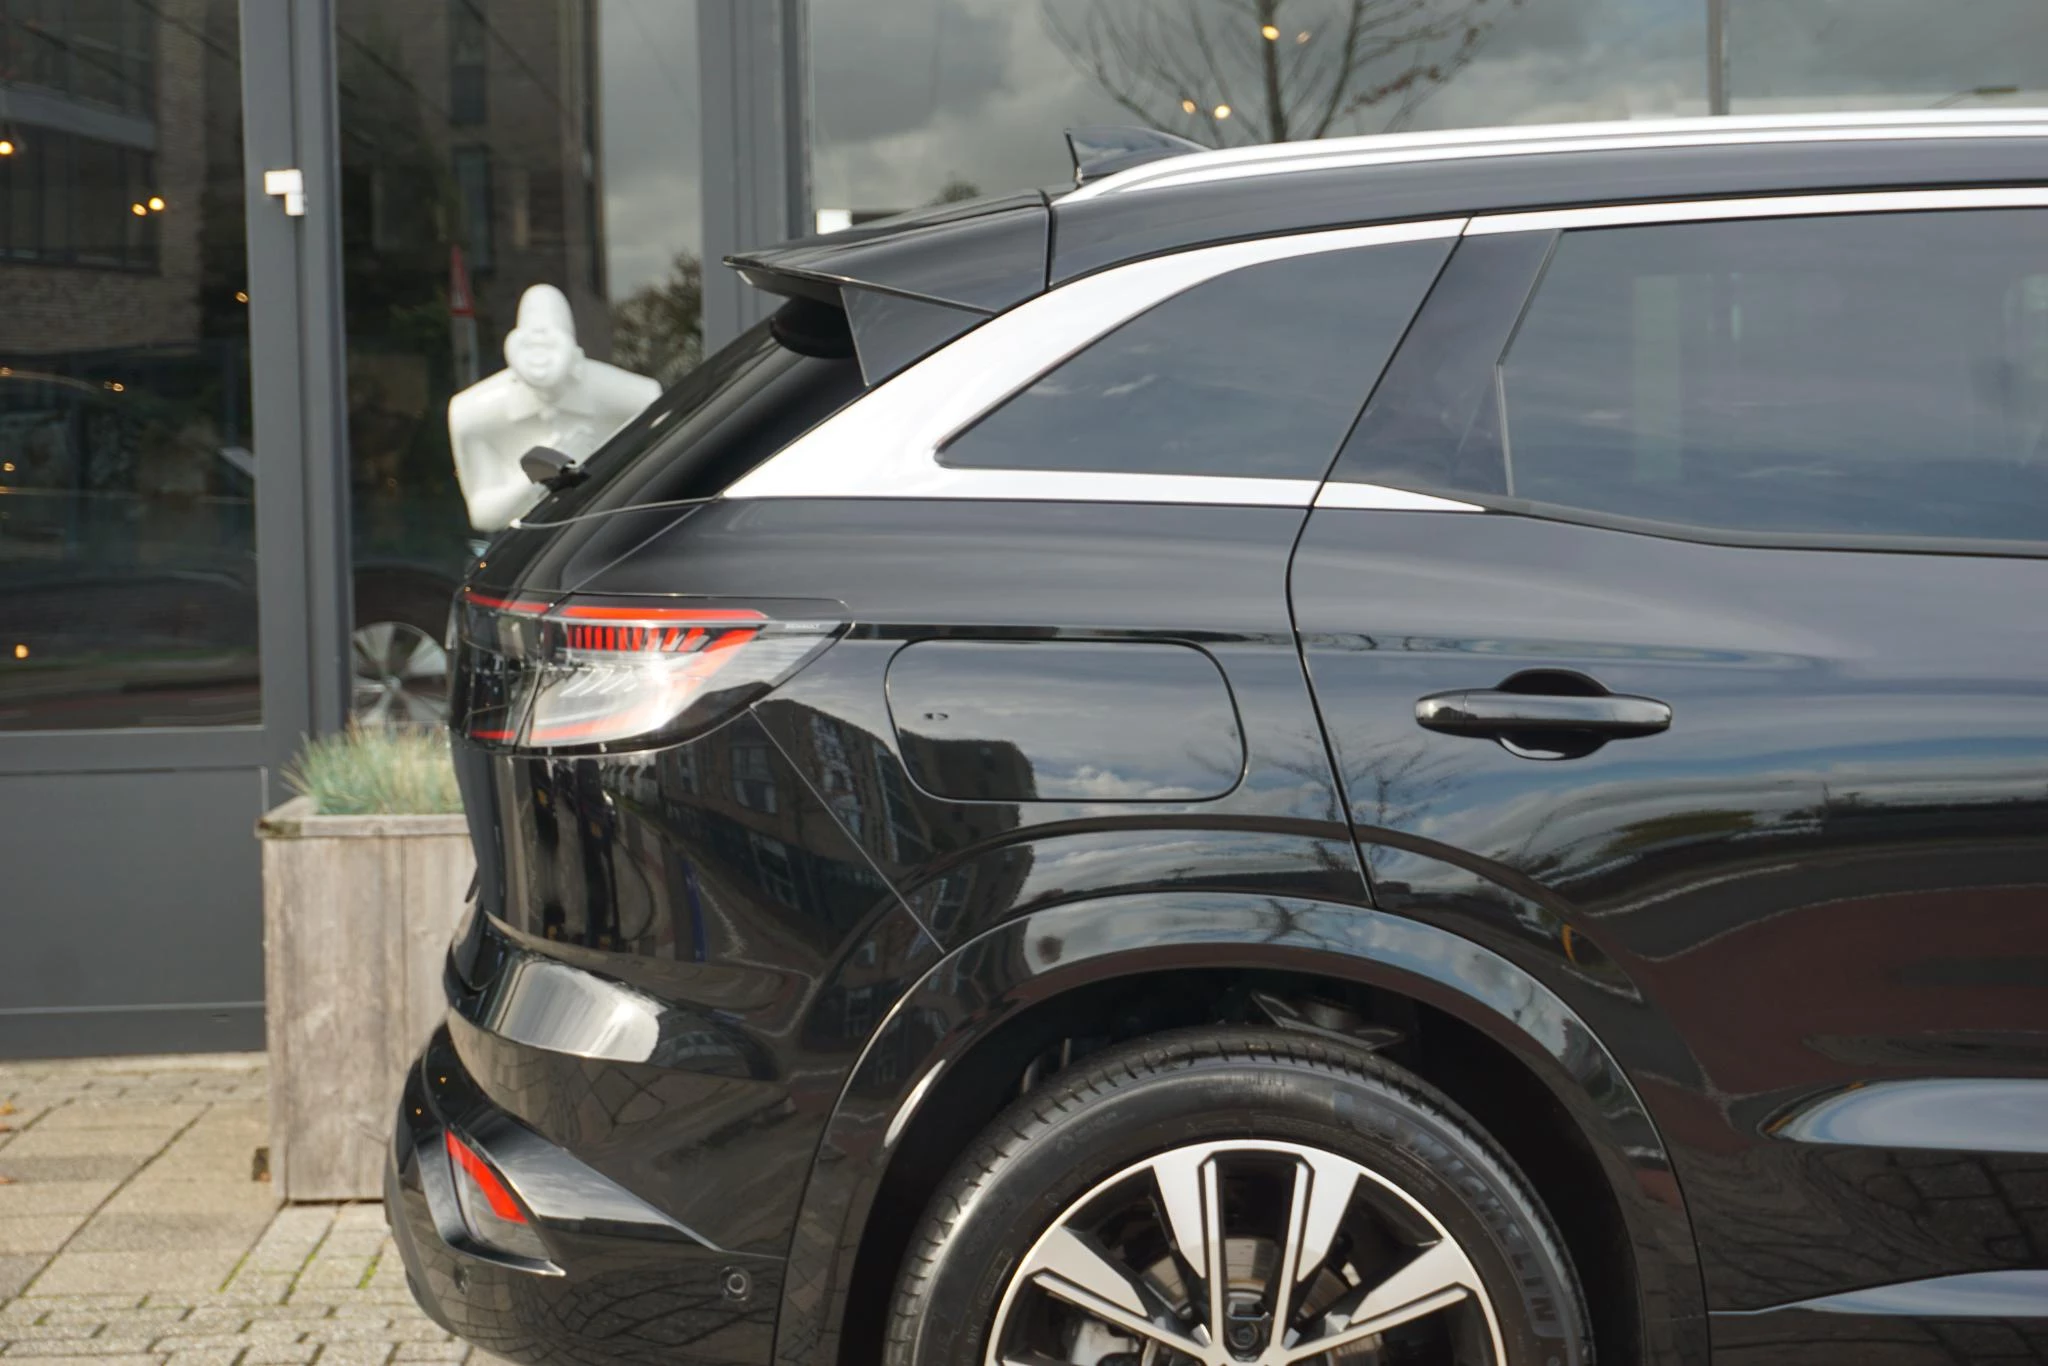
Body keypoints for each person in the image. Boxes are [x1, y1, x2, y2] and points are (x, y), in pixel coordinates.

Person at [446, 284, 661, 532]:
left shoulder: (633, 397)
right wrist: (541, 473)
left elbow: (654, 485)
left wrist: (601, 459)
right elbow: (484, 514)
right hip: (527, 543)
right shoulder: (473, 413)